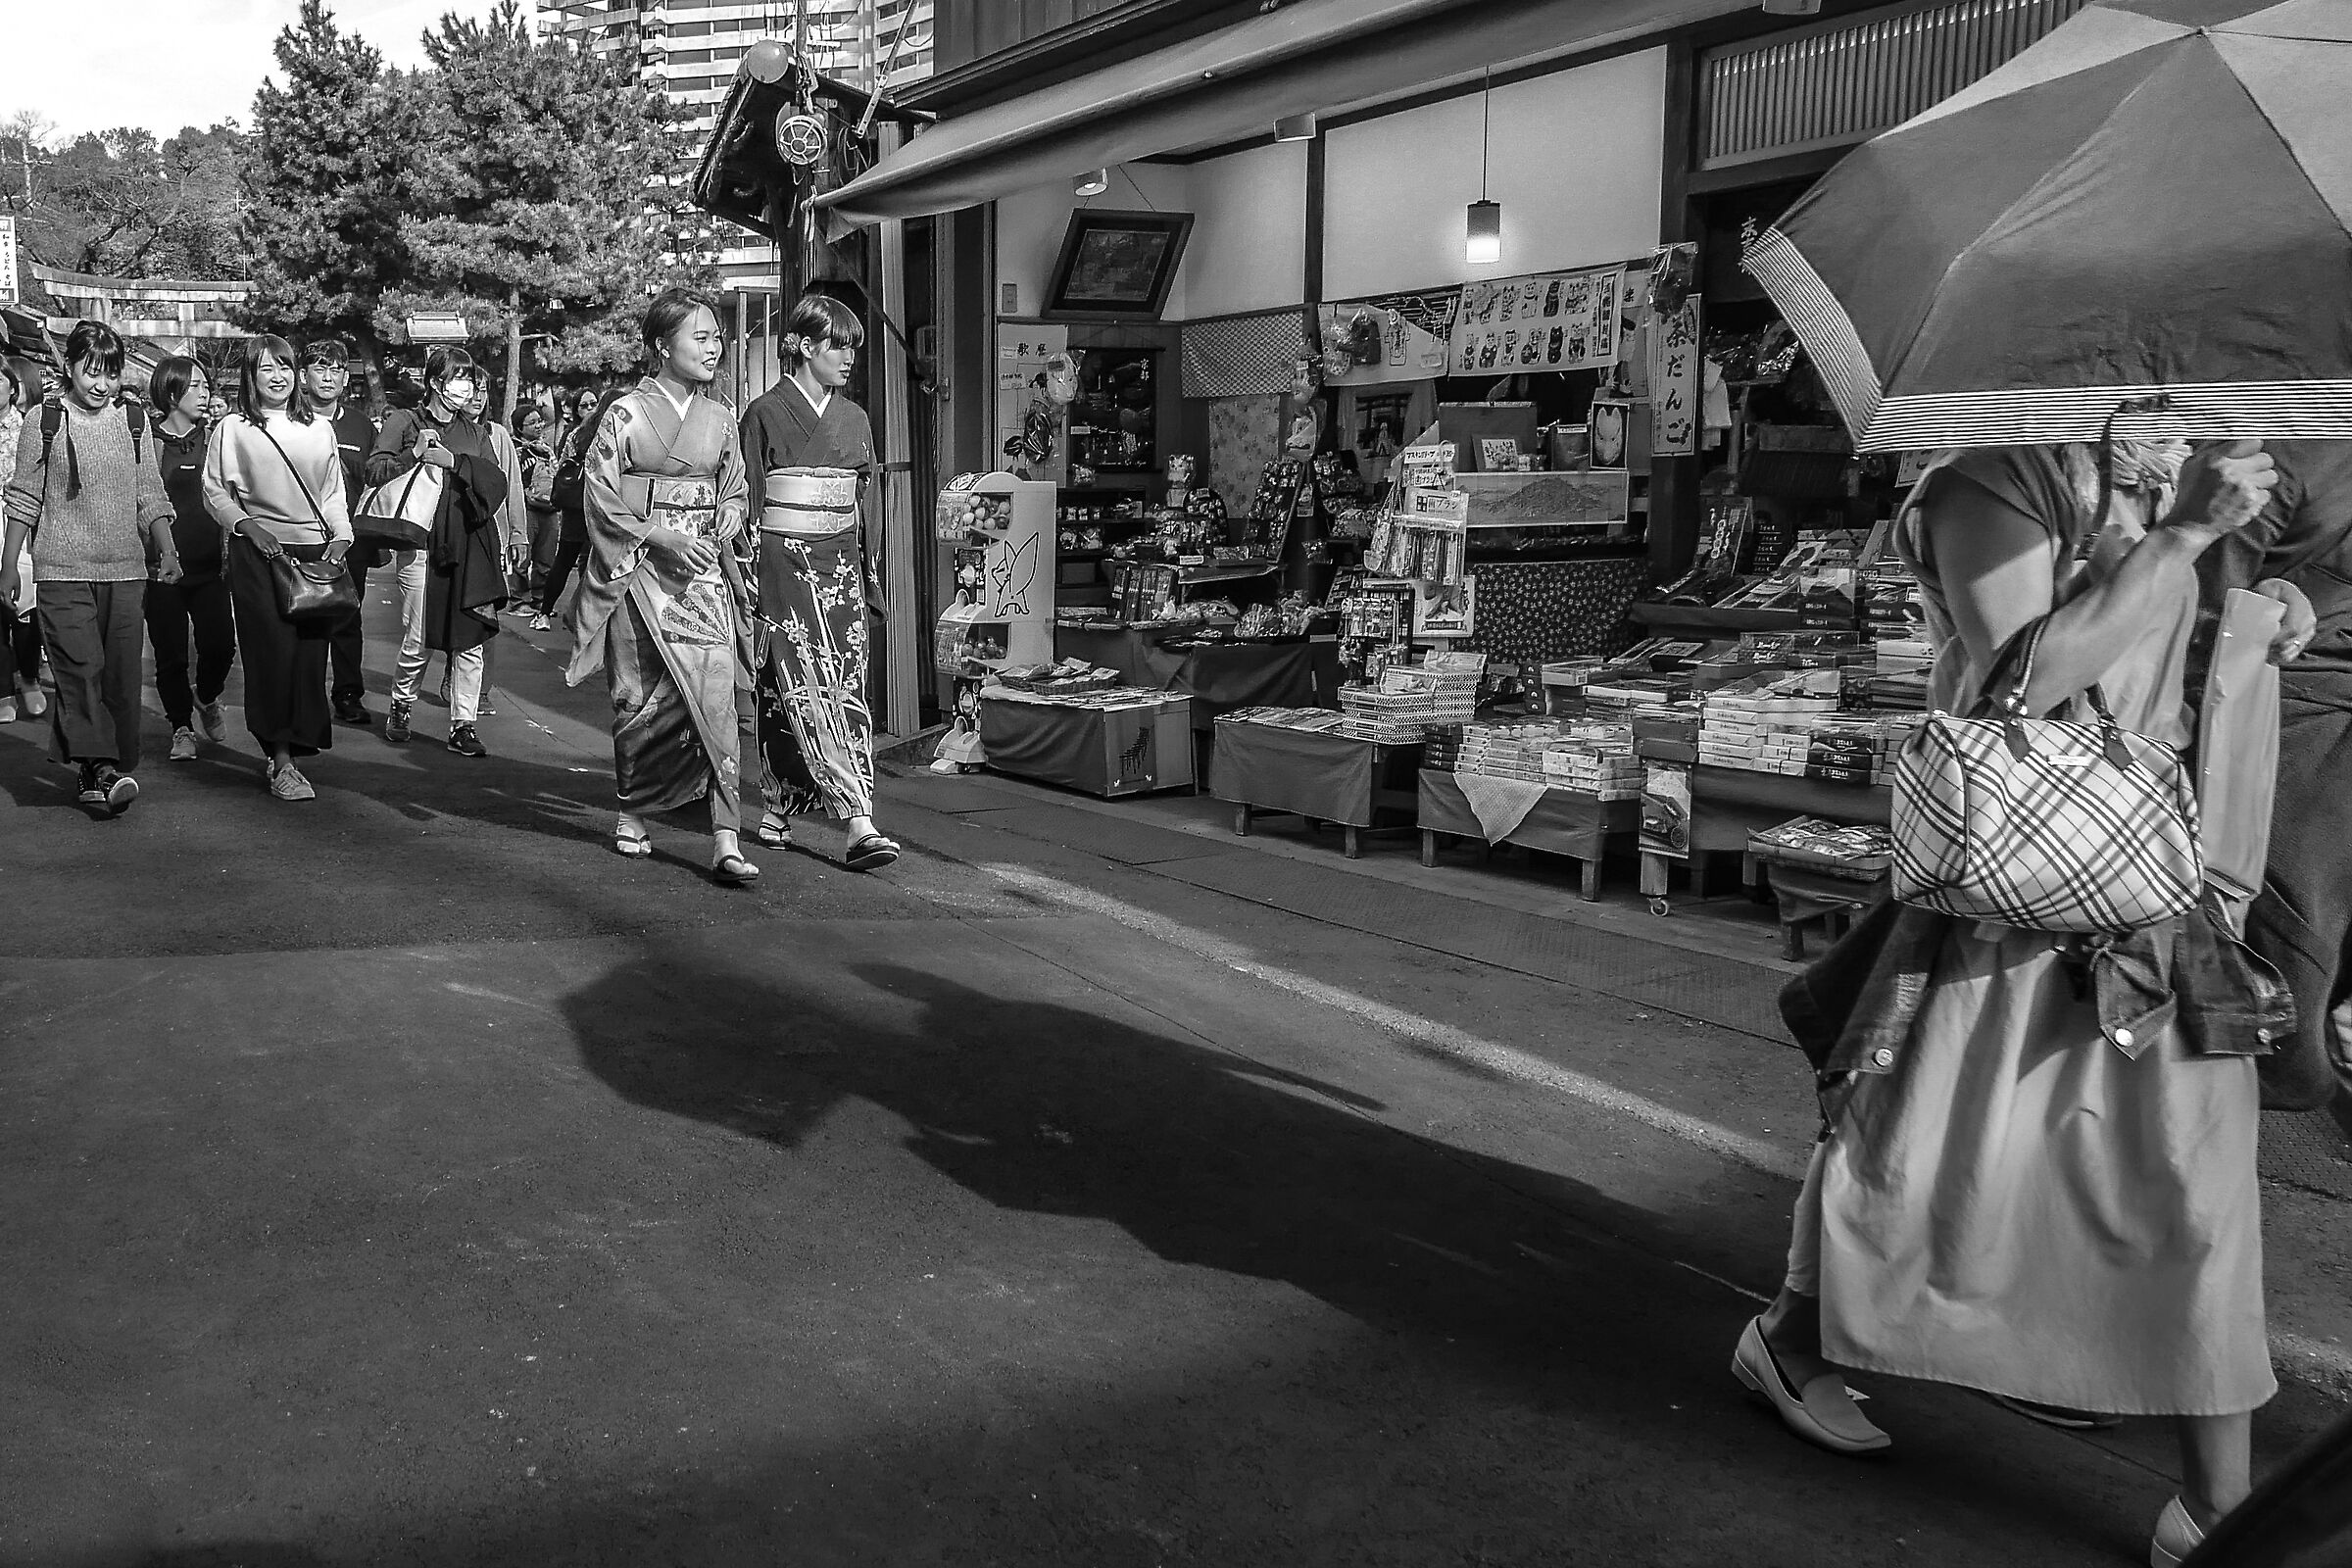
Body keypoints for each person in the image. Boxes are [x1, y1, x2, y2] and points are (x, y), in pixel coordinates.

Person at [1745, 438, 2313, 1568]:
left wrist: (2267, 607)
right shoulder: (1994, 477)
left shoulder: (2194, 463)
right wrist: (2182, 535)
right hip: (2024, 882)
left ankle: (2215, 1499)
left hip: (2172, 876)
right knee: (1932, 1160)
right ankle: (1794, 1343)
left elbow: (2185, 653)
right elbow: (2020, 679)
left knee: (2195, 1182)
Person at [564, 288, 757, 885]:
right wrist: (658, 534)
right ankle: (634, 809)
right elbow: (598, 494)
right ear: (661, 346)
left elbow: (736, 485)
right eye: (699, 337)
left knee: (719, 694)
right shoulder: (624, 415)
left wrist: (729, 511)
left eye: (716, 337)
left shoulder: (720, 416)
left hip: (701, 574)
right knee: (637, 694)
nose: (713, 348)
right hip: (642, 569)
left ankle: (726, 834)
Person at [737, 293, 900, 871]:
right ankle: (848, 817)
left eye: (852, 347)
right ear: (805, 346)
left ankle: (803, 808)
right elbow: (747, 497)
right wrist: (747, 572)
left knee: (844, 681)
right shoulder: (762, 413)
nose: (849, 357)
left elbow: (869, 499)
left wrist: (868, 567)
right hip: (781, 560)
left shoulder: (853, 418)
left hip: (841, 561)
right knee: (788, 682)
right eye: (839, 345)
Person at [1, 321, 176, 814]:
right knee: (81, 670)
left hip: (125, 570)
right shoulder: (44, 419)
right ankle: (101, 767)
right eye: (90, 373)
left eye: (110, 374)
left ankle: (94, 769)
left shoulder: (136, 421)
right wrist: (10, 563)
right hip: (60, 568)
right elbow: (24, 495)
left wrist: (167, 548)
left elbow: (150, 493)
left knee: (119, 679)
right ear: (70, 369)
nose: (101, 386)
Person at [202, 334, 354, 802]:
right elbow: (214, 490)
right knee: (271, 655)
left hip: (314, 553)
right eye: (266, 368)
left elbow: (331, 492)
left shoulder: (319, 430)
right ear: (251, 375)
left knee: (309, 659)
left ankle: (294, 749)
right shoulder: (233, 428)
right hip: (260, 554)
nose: (278, 377)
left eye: (285, 367)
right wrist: (246, 525)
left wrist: (342, 534)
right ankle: (280, 758)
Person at [363, 348, 523, 757]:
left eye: (469, 379)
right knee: (419, 636)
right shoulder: (404, 421)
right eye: (457, 378)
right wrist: (413, 453)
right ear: (436, 382)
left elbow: (496, 482)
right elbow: (374, 471)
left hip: (468, 544)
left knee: (469, 637)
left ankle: (463, 723)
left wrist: (456, 462)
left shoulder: (474, 430)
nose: (465, 388)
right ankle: (401, 704)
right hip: (419, 545)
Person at [145, 357, 236, 761]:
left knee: (220, 646)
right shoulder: (145, 439)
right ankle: (180, 726)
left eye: (206, 386)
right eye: (195, 386)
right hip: (159, 569)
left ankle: (208, 696)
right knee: (170, 653)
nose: (205, 394)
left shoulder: (217, 437)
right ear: (170, 391)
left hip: (210, 566)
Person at [303, 338, 380, 729]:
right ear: (304, 376)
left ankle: (348, 693)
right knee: (306, 618)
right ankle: (306, 693)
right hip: (301, 537)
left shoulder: (361, 425)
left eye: (336, 369)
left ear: (346, 377)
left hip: (351, 540)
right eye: (320, 368)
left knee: (348, 618)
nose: (329, 376)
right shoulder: (289, 420)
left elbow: (373, 482)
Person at [537, 386, 612, 631]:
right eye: (584, 405)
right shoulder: (583, 436)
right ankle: (548, 611)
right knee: (574, 560)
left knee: (580, 560)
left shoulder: (581, 435)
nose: (590, 409)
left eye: (593, 404)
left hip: (583, 508)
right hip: (587, 507)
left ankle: (573, 613)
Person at [0, 357, 50, 724]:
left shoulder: (28, 428)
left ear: (13, 388)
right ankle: (4, 689)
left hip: (20, 522)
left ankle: (29, 677)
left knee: (24, 607)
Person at [513, 401, 559, 609]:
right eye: (532, 422)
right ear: (520, 427)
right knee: (523, 557)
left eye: (540, 421)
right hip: (527, 509)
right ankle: (518, 599)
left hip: (549, 510)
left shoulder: (547, 450)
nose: (538, 425)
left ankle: (540, 598)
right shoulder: (516, 450)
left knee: (546, 559)